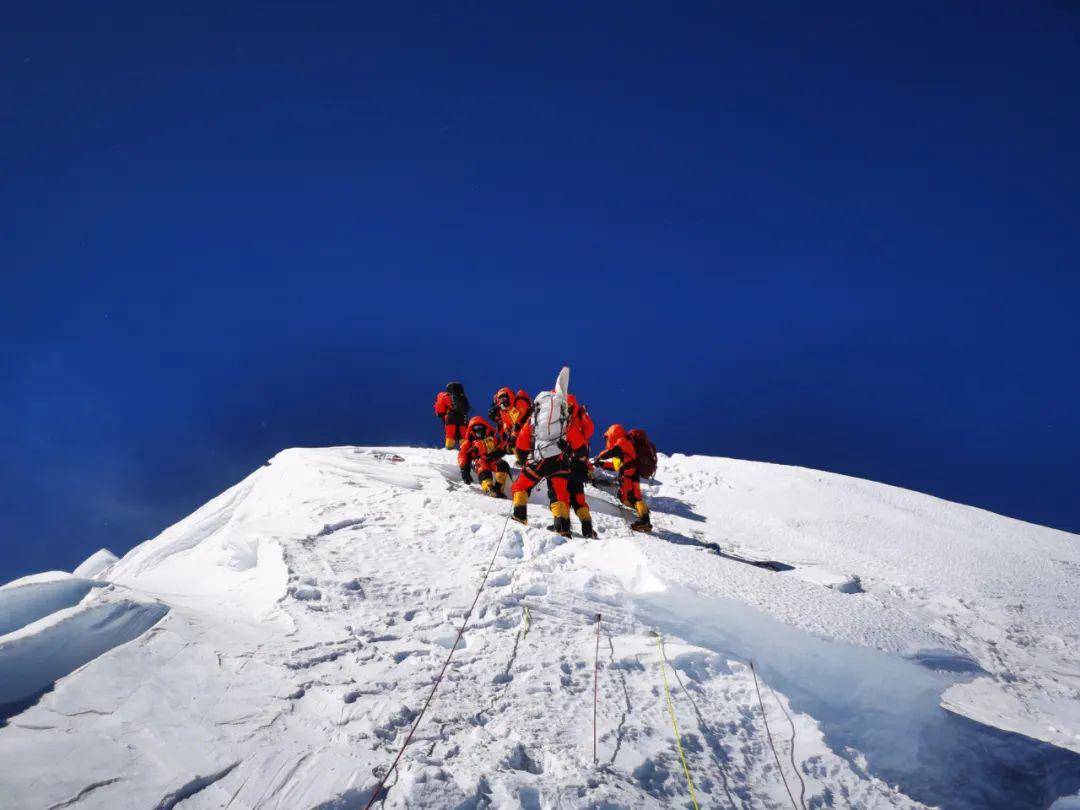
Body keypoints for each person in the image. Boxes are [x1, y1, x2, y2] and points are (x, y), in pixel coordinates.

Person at [511, 390, 588, 538]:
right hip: (561, 463)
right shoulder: (566, 422)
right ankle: (562, 528)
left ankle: (519, 517)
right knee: (560, 495)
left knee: (521, 485)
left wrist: (522, 459)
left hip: (540, 460)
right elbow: (581, 448)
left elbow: (521, 444)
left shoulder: (533, 420)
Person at [553, 394, 596, 538]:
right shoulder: (579, 423)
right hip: (580, 465)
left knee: (561, 495)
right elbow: (588, 435)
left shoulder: (563, 423)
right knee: (578, 499)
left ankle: (562, 527)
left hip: (565, 463)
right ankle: (588, 528)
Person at [595, 424, 652, 532]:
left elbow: (614, 451)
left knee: (635, 497)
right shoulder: (623, 450)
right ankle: (642, 513)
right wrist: (602, 464)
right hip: (629, 474)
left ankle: (645, 520)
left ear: (613, 433)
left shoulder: (623, 440)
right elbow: (616, 466)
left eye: (608, 437)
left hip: (629, 473)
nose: (607, 441)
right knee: (629, 497)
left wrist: (600, 456)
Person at [458, 416, 511, 497]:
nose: (478, 430)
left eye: (480, 427)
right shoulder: (469, 442)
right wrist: (464, 469)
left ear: (485, 428)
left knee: (502, 465)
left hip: (491, 459)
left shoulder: (493, 438)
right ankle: (488, 487)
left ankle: (498, 489)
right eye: (475, 428)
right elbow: (462, 454)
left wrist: (500, 452)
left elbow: (502, 446)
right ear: (472, 430)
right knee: (482, 467)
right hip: (478, 460)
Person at [434, 381, 470, 449]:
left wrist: (443, 415)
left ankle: (449, 450)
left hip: (451, 417)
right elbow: (467, 408)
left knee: (450, 435)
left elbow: (440, 411)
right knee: (463, 436)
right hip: (463, 417)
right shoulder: (462, 396)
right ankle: (465, 450)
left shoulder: (444, 396)